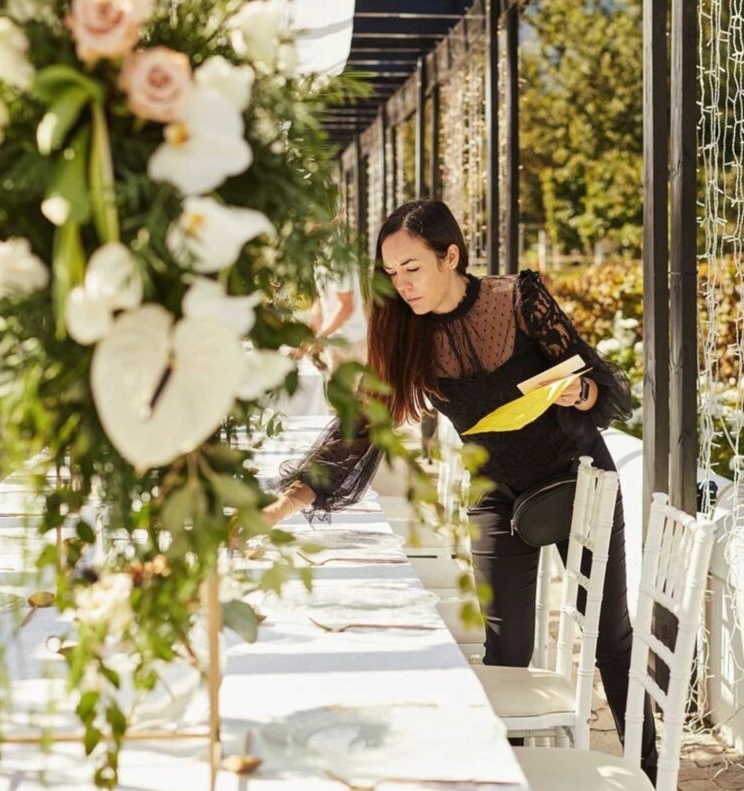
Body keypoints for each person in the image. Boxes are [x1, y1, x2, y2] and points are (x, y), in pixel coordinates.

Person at [263, 199, 657, 777]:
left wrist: (581, 393)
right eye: (391, 273)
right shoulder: (402, 331)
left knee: (609, 637)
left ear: (450, 256)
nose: (402, 285)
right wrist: (282, 505)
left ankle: (650, 771)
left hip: (578, 481)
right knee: (506, 648)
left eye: (412, 268)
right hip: (496, 493)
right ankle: (513, 775)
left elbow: (594, 383)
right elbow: (361, 429)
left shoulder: (519, 299)